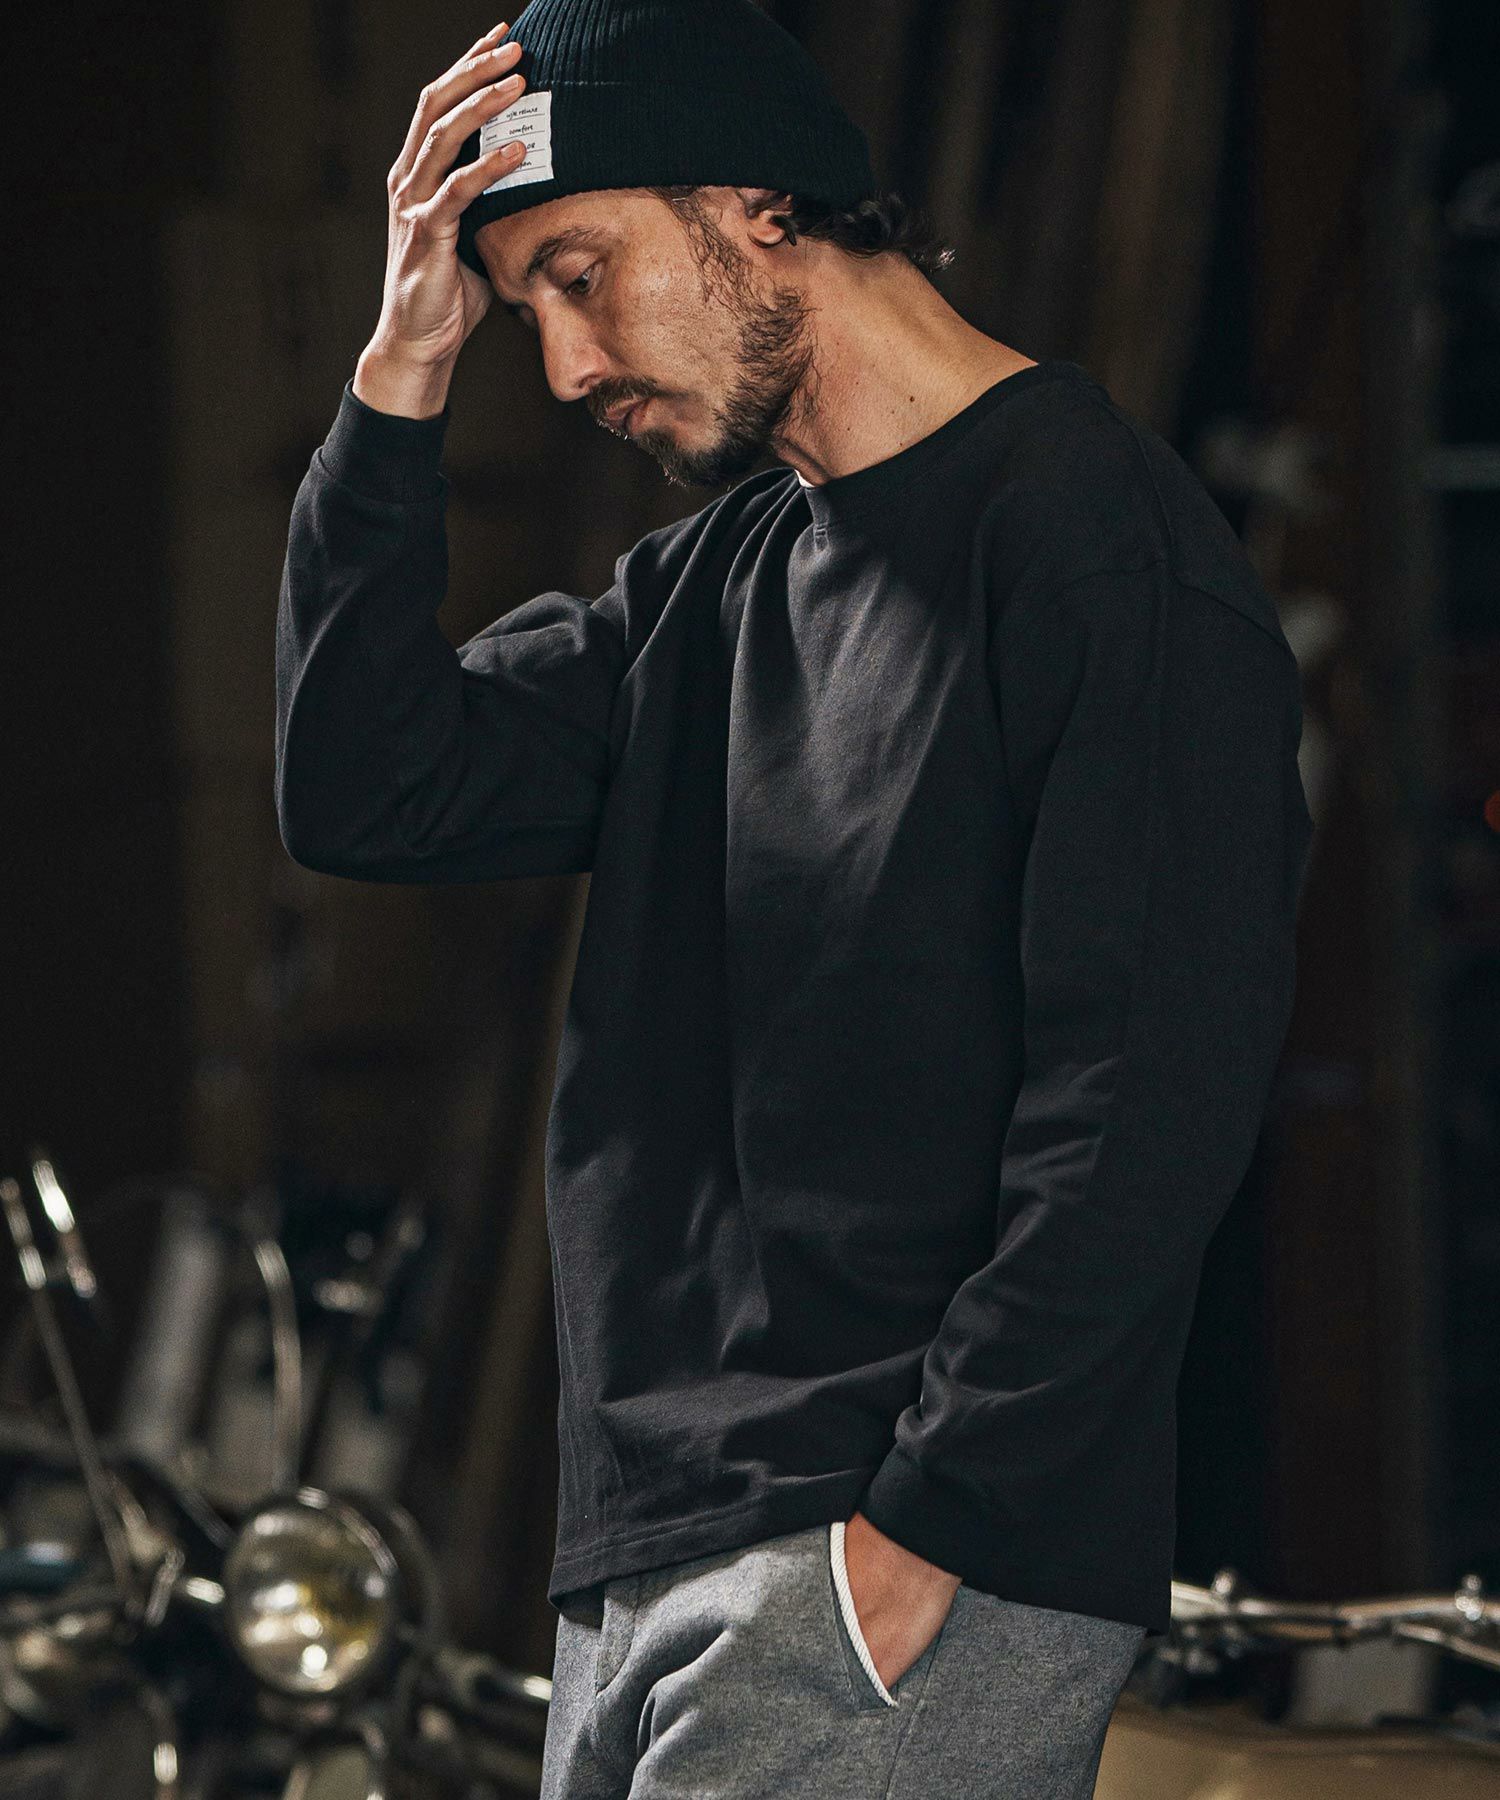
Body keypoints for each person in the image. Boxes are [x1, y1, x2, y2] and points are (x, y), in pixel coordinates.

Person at [274, 1, 1315, 1793]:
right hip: (648, 1557)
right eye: (526, 310)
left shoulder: (1100, 555)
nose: (567, 366)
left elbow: (1145, 1100)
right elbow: (372, 785)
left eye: (582, 276)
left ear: (759, 201)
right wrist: (399, 369)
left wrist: (930, 1529)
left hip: (886, 1557)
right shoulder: (704, 597)